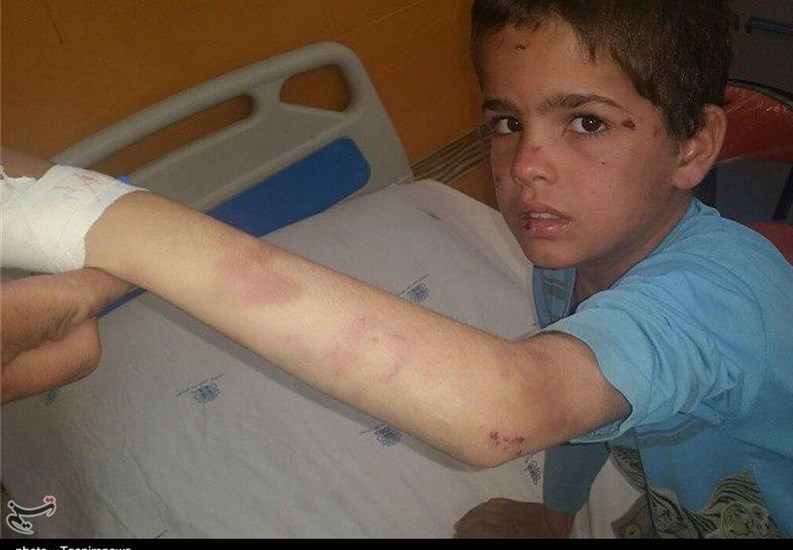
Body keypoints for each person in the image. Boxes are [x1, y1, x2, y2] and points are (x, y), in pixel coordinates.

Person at [1, 0, 791, 538]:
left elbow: (510, 406)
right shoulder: (570, 267)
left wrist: (94, 220)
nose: (525, 166)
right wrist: (556, 517)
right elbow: (589, 422)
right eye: (506, 122)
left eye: (585, 122)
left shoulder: (724, 294)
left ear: (692, 146)